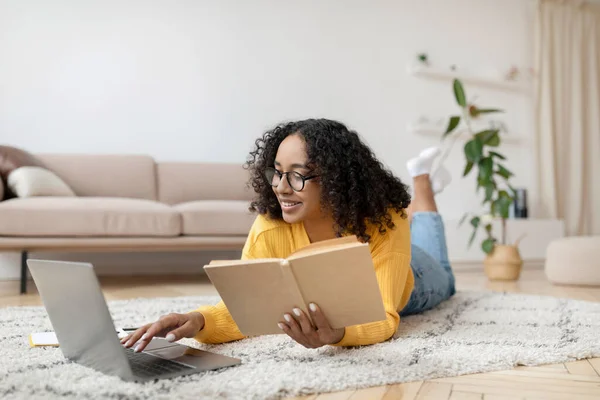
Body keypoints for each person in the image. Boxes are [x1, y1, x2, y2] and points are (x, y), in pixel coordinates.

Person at [122, 118, 456, 351]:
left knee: (444, 274)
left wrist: (337, 334)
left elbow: (383, 317)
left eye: (296, 176)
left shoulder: (385, 221)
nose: (281, 187)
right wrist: (197, 320)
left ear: (335, 180)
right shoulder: (269, 228)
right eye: (277, 173)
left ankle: (422, 182)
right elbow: (247, 312)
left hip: (415, 280)